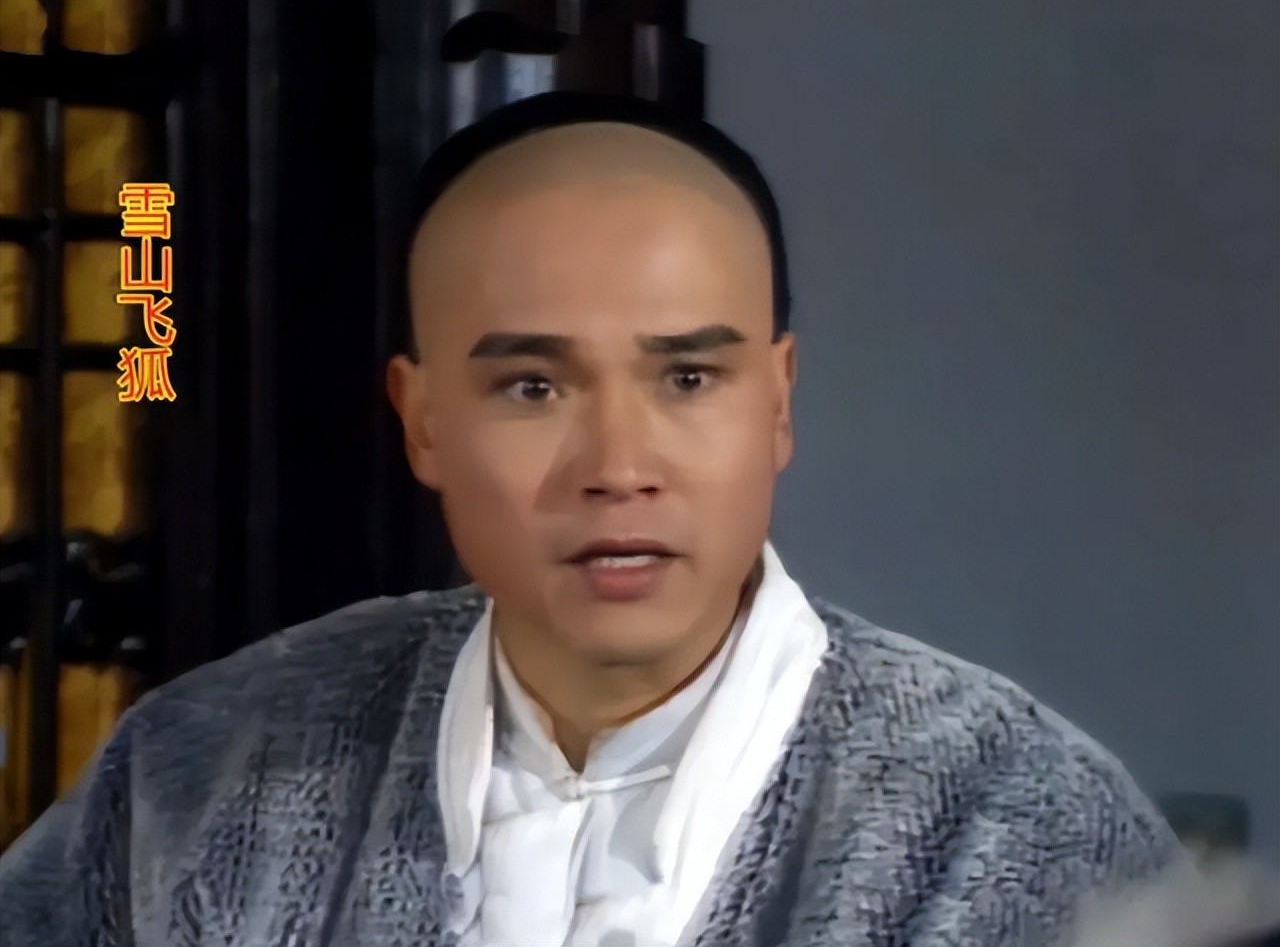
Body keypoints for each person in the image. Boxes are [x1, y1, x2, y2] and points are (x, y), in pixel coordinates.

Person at [0, 91, 1188, 947]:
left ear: (778, 402)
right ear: (422, 422)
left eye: (687, 378)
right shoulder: (206, 770)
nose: (619, 467)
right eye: (532, 387)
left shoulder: (1015, 825)